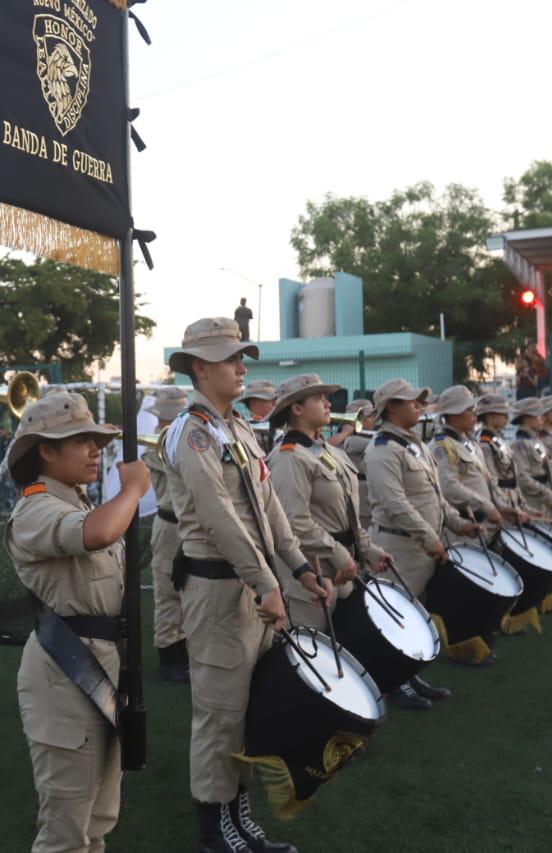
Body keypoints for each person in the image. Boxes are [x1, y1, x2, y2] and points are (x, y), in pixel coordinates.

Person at [164, 317, 316, 853]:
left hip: (251, 588)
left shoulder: (240, 429)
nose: (241, 366)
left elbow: (269, 506)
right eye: (231, 358)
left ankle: (239, 817)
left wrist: (296, 566)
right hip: (219, 589)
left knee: (248, 709)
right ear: (200, 368)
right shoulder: (193, 432)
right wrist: (266, 582)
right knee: (219, 714)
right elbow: (219, 517)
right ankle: (215, 828)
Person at [4, 391, 145, 853]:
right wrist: (132, 492)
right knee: (66, 831)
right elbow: (99, 534)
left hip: (104, 667)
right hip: (66, 673)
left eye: (96, 440)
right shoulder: (36, 508)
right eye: (81, 441)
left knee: (98, 821)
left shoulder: (81, 503)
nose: (95, 450)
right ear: (46, 450)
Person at [364, 378, 478, 710]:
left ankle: (408, 675)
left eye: (419, 399)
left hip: (421, 546)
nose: (419, 404)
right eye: (410, 400)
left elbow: (434, 496)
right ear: (390, 408)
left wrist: (458, 523)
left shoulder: (414, 445)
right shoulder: (382, 449)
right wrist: (430, 537)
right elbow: (395, 503)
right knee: (395, 618)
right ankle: (393, 682)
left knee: (415, 614)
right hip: (399, 547)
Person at [266, 374, 389, 634]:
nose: (328, 404)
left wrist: (368, 549)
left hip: (341, 570)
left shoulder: (326, 450)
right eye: (319, 399)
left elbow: (345, 515)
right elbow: (293, 522)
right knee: (312, 650)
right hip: (311, 574)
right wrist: (340, 555)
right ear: (297, 408)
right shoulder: (289, 457)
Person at [429, 386, 525, 666]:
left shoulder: (467, 442)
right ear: (455, 413)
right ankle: (462, 646)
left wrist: (501, 505)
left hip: (485, 523)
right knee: (468, 588)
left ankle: (480, 639)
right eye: (469, 409)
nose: (474, 413)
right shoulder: (442, 445)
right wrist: (485, 506)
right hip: (465, 525)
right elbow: (449, 487)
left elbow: (487, 480)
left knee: (485, 583)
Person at [142, 386, 191, 683]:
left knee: (190, 591)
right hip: (171, 525)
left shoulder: (181, 440)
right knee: (167, 591)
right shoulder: (155, 444)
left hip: (191, 525)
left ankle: (184, 649)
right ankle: (169, 656)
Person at [510, 397, 552, 519]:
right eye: (538, 415)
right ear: (526, 418)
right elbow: (522, 478)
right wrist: (545, 492)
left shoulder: (535, 442)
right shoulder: (520, 444)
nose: (543, 418)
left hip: (543, 500)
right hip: (532, 501)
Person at [336, 399, 378, 530]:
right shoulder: (351, 440)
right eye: (369, 417)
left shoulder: (369, 436)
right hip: (362, 494)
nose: (374, 419)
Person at [237, 379, 277, 454]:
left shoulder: (281, 425)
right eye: (270, 399)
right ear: (254, 402)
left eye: (275, 399)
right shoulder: (240, 429)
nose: (275, 403)